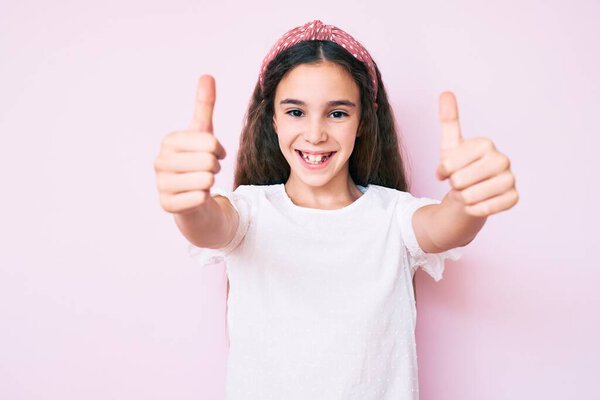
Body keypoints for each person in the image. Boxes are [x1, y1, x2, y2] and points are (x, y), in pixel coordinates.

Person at [153, 20, 518, 400]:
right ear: (272, 118)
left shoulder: (393, 218)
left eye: (337, 113)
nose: (315, 134)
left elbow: (446, 225)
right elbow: (206, 224)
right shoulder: (249, 213)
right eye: (295, 112)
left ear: (362, 121)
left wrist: (469, 201)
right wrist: (188, 202)